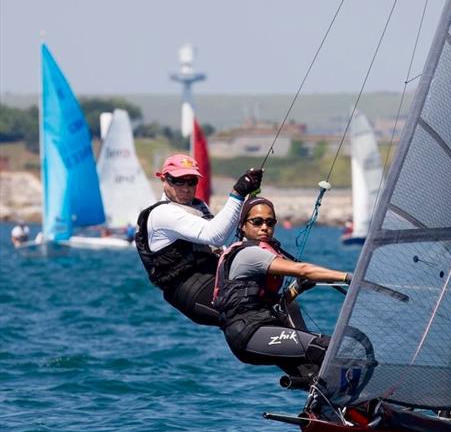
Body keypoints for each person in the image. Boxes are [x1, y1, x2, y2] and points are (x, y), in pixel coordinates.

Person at [213, 196, 351, 383]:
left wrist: (297, 289)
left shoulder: (260, 252)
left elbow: (275, 304)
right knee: (325, 348)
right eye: (257, 222)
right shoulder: (249, 254)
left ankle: (333, 399)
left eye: (270, 223)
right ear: (243, 226)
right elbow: (304, 269)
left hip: (258, 331)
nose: (264, 227)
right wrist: (347, 277)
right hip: (250, 334)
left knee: (312, 372)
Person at [135, 153, 263, 326]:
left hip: (212, 278)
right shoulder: (162, 213)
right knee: (249, 311)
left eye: (191, 181)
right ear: (163, 179)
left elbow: (218, 247)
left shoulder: (198, 206)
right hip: (190, 290)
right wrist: (238, 192)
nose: (186, 188)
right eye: (178, 181)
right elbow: (215, 236)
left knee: (266, 295)